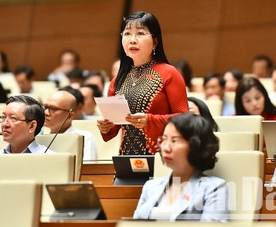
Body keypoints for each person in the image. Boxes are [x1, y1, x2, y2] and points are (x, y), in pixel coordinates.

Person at [98, 11, 189, 154]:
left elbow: (186, 119)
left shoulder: (169, 73)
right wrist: (106, 126)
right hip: (126, 157)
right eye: (127, 34)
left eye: (140, 33)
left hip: (163, 156)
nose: (132, 40)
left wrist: (150, 120)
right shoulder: (118, 79)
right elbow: (114, 128)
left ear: (155, 42)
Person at [133, 114, 228, 221]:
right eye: (164, 139)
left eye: (174, 141)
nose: (166, 148)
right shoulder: (150, 186)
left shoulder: (213, 188)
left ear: (196, 145)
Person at [43, 89, 98, 161]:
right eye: (45, 107)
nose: (46, 113)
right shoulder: (38, 136)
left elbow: (87, 169)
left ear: (69, 115)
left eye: (53, 108)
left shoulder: (84, 138)